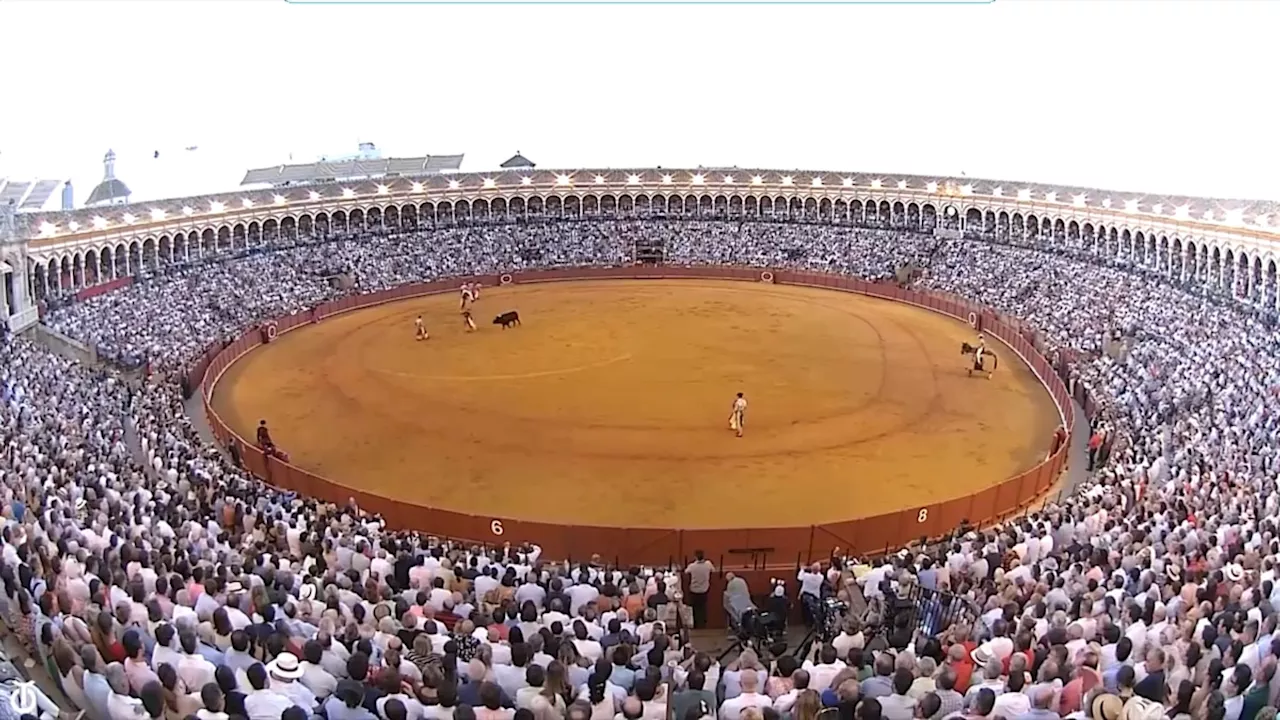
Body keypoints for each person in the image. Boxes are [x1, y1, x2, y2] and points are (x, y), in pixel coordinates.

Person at [685, 552, 715, 630]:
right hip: (704, 591)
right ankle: (703, 625)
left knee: (695, 609)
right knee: (703, 608)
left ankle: (696, 625)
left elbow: (686, 571)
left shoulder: (692, 566)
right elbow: (713, 570)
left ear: (695, 557)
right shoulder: (708, 564)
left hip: (694, 591)